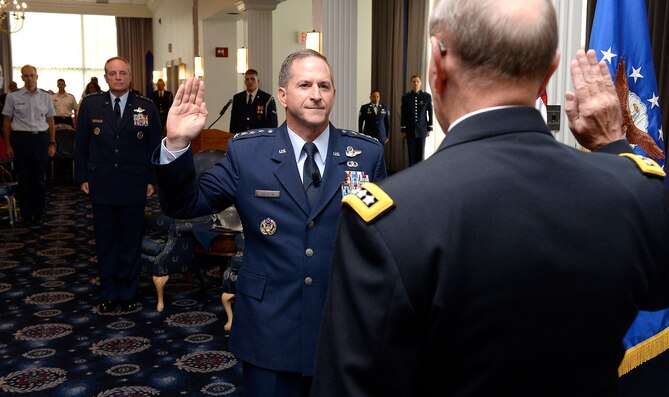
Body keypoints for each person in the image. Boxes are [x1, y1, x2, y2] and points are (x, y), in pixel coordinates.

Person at [311, 1, 669, 396]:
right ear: (551, 68)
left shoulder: (388, 219)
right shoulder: (628, 191)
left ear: (437, 64)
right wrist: (617, 147)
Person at [155, 49, 386, 396]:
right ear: (282, 94)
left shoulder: (366, 154)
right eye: (305, 84)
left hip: (342, 331)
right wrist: (176, 143)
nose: (316, 94)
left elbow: (379, 238)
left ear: (334, 94)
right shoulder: (248, 153)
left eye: (324, 86)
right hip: (269, 330)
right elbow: (185, 203)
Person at [74, 56, 162, 314]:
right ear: (105, 78)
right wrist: (82, 177)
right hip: (100, 184)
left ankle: (128, 293)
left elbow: (155, 147)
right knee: (105, 242)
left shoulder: (145, 106)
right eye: (112, 74)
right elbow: (82, 145)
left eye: (122, 73)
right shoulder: (91, 105)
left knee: (130, 241)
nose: (118, 77)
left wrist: (151, 180)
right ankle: (109, 293)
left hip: (134, 184)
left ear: (130, 76)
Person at [2, 65, 56, 225]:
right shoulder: (12, 96)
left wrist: (52, 143)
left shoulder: (45, 96)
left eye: (32, 75)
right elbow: (6, 122)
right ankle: (26, 214)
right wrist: (8, 145)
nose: (29, 78)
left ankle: (38, 213)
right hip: (21, 140)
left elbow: (51, 121)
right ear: (22, 78)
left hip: (40, 140)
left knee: (39, 178)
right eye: (26, 76)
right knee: (23, 178)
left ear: (37, 76)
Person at [228, 68, 278, 134]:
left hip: (259, 139)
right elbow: (233, 122)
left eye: (252, 79)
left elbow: (272, 125)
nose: (250, 82)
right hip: (242, 139)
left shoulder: (267, 99)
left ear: (258, 81)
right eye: (247, 79)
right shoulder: (238, 98)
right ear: (245, 82)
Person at [400, 74, 432, 166]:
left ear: (421, 83)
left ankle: (419, 175)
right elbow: (403, 114)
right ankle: (411, 175)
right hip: (410, 130)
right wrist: (403, 129)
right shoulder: (406, 97)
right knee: (411, 155)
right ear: (411, 83)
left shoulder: (426, 96)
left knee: (420, 155)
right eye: (413, 81)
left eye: (417, 81)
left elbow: (430, 113)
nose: (415, 83)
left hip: (422, 130)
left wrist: (429, 128)